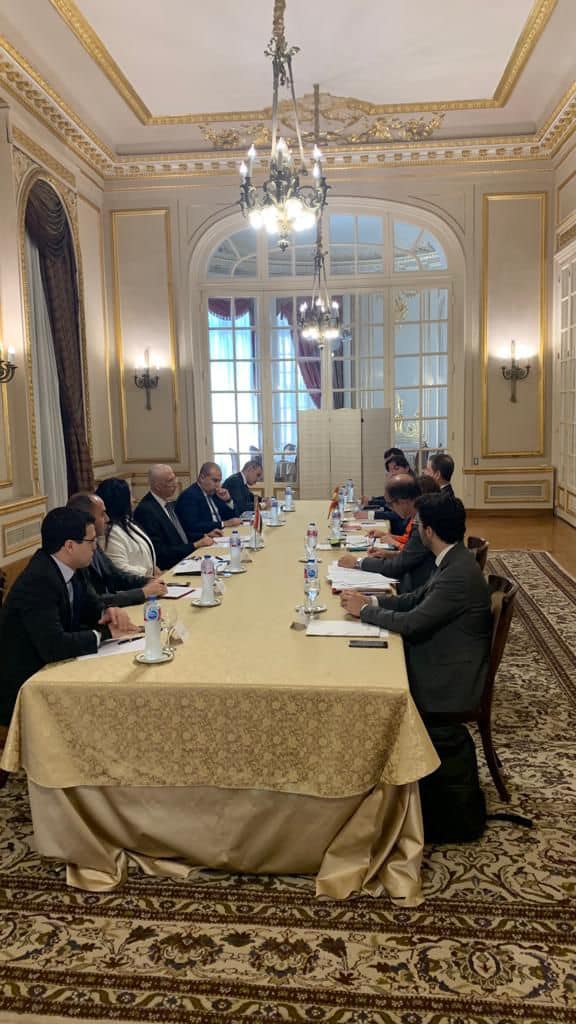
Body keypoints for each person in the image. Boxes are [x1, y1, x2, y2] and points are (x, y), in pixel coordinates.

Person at [340, 494, 492, 715]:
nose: (415, 530)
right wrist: (370, 600)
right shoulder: (453, 557)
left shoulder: (457, 574)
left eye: (418, 525)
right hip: (441, 653)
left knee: (363, 672)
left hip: (444, 677)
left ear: (429, 531)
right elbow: (414, 598)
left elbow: (411, 623)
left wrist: (364, 611)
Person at [0, 507, 138, 727]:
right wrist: (104, 633)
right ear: (70, 546)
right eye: (91, 541)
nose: (95, 547)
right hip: (26, 689)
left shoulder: (74, 567)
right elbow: (54, 646)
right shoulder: (39, 581)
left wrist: (107, 613)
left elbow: (92, 607)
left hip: (55, 671)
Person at [338, 475, 437, 593]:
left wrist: (358, 562)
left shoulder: (422, 523)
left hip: (415, 589)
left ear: (403, 502)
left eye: (390, 504)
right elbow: (411, 555)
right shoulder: (420, 515)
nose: (390, 508)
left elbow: (396, 567)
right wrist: (389, 554)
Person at [68, 492, 168, 605]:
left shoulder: (93, 541)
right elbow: (95, 601)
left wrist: (146, 581)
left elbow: (116, 575)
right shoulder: (77, 550)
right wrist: (143, 592)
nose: (107, 519)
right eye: (102, 514)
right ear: (87, 517)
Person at [133, 464, 214, 570]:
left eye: (175, 478)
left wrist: (204, 535)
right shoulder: (146, 510)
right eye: (170, 480)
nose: (175, 483)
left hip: (187, 560)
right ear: (157, 486)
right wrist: (195, 545)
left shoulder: (166, 503)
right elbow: (160, 552)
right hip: (171, 568)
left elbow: (180, 536)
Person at [95, 478, 158, 578]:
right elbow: (119, 568)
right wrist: (148, 573)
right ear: (120, 501)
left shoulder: (128, 522)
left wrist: (155, 569)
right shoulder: (110, 533)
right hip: (137, 584)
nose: (134, 500)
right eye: (130, 496)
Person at [175, 462, 243, 541]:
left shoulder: (213, 494)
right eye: (215, 480)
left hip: (220, 536)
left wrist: (228, 500)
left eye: (219, 481)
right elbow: (193, 525)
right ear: (202, 478)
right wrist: (223, 524)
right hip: (203, 540)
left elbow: (233, 517)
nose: (218, 485)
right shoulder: (189, 495)